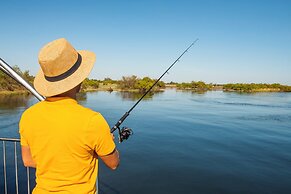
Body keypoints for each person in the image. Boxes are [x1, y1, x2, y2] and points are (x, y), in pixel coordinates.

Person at [19, 38, 119, 194]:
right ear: (78, 81)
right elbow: (113, 163)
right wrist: (104, 143)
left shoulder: (28, 116)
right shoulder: (92, 120)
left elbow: (28, 160)